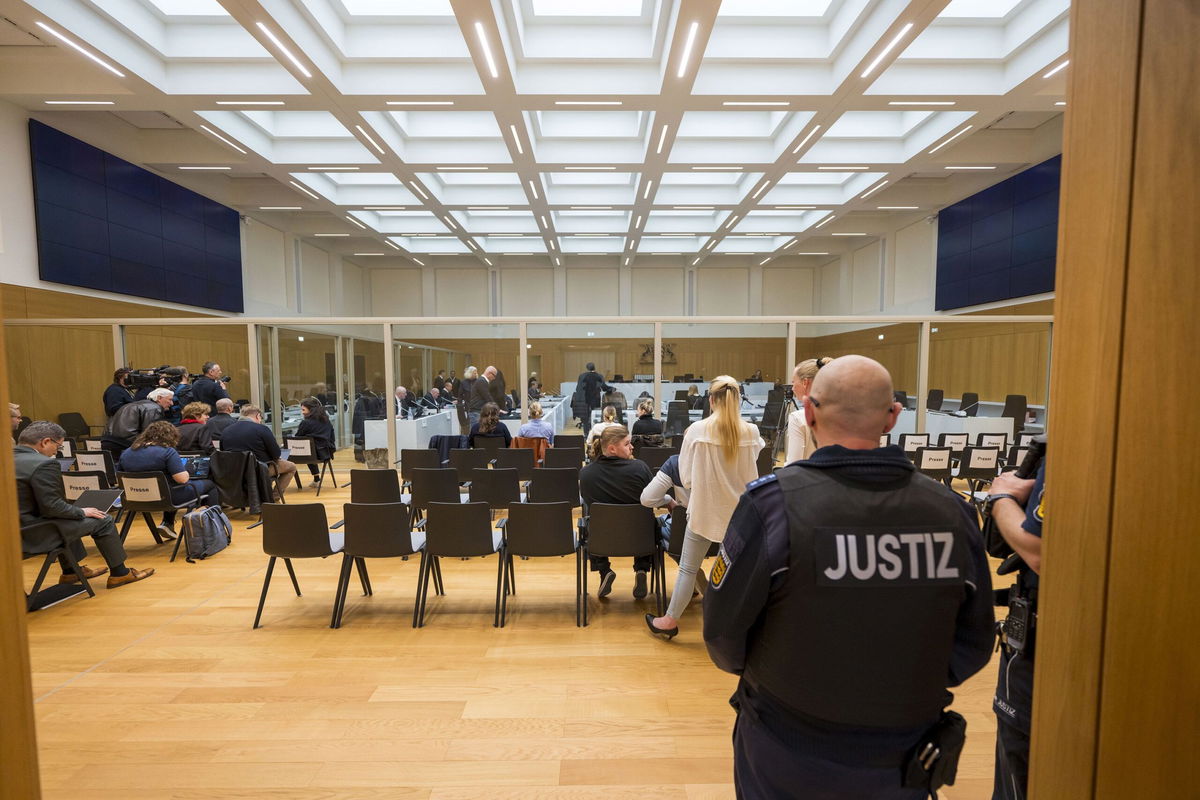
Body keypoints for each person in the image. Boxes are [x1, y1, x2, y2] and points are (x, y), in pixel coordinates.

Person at [702, 355, 994, 798]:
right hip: (906, 746)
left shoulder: (772, 505)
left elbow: (723, 631)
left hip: (786, 742)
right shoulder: (953, 512)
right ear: (893, 416)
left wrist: (767, 677)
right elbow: (973, 642)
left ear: (811, 412)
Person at [647, 376, 763, 638]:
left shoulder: (697, 430)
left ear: (711, 400)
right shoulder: (751, 431)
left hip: (704, 511)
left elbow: (686, 478)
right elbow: (751, 464)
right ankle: (740, 621)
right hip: (741, 515)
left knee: (689, 568)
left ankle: (669, 621)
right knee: (739, 571)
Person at [15, 421, 155, 589]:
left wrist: (73, 511)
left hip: (12, 531)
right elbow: (52, 507)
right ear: (45, 442)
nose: (56, 452)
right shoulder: (44, 463)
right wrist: (81, 511)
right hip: (30, 534)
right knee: (103, 520)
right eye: (58, 447)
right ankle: (121, 574)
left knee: (68, 517)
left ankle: (71, 572)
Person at [987, 459, 1046, 800]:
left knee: (1017, 769)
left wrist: (1001, 498)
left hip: (1039, 643)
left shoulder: (1068, 454)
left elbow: (1037, 552)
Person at [579, 425, 655, 599]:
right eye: (627, 444)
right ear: (612, 448)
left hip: (602, 539)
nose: (632, 447)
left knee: (591, 522)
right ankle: (642, 568)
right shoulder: (640, 468)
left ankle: (604, 571)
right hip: (639, 538)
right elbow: (652, 498)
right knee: (646, 519)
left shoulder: (586, 474)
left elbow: (588, 502)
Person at [118, 421, 220, 539]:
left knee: (169, 486)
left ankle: (168, 523)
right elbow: (182, 480)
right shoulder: (167, 452)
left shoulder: (126, 453)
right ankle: (214, 526)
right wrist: (186, 472)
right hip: (167, 498)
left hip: (134, 499)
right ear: (170, 436)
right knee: (210, 485)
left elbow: (119, 477)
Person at [219, 404, 296, 501]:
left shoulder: (226, 431)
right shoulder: (262, 429)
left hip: (234, 472)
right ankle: (274, 498)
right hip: (258, 470)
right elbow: (276, 454)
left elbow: (223, 453)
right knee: (291, 467)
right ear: (257, 416)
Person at [784, 356, 832, 464]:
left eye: (793, 382)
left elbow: (793, 464)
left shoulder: (797, 418)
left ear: (805, 382)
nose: (792, 388)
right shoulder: (845, 414)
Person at [100, 388, 173, 458]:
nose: (171, 403)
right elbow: (150, 434)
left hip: (107, 441)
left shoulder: (131, 405)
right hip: (126, 444)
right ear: (159, 398)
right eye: (170, 399)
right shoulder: (154, 408)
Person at [294, 397, 336, 484]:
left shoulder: (305, 423)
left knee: (283, 452)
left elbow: (297, 438)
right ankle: (316, 479)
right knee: (311, 446)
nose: (302, 412)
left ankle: (277, 481)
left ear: (311, 410)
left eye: (303, 410)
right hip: (325, 453)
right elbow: (332, 436)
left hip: (309, 454)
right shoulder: (326, 421)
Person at [574, 362, 614, 436]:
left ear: (587, 368)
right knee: (595, 416)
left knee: (585, 419)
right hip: (595, 400)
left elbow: (578, 388)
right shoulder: (599, 376)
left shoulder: (582, 376)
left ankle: (586, 435)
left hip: (584, 400)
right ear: (594, 367)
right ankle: (595, 433)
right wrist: (612, 389)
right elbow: (604, 387)